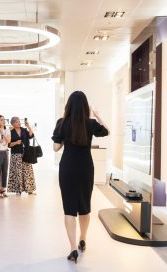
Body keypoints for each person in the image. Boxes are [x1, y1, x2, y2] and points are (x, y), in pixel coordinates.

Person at [52, 91, 109, 263]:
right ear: (85, 107)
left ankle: (72, 249)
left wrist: (64, 137)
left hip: (68, 168)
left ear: (68, 106)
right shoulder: (90, 123)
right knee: (84, 206)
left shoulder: (62, 123)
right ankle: (82, 240)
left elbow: (55, 148)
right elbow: (107, 131)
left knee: (69, 209)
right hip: (85, 168)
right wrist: (97, 115)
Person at [7, 117, 36, 195]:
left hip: (26, 153)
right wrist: (16, 142)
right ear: (12, 124)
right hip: (16, 154)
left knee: (28, 171)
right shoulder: (11, 132)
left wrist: (29, 127)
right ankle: (18, 190)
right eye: (16, 122)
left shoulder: (24, 130)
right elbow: (9, 145)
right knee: (17, 172)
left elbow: (31, 136)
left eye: (19, 121)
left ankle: (30, 189)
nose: (19, 123)